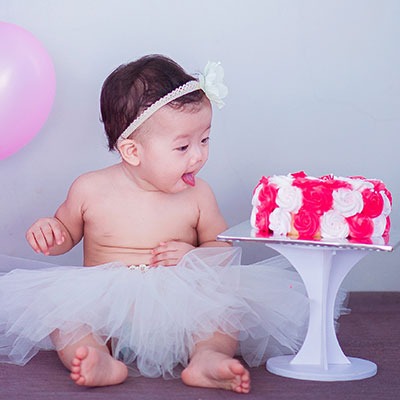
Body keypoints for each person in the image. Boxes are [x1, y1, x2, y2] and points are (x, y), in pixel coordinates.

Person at [0, 55, 331, 394]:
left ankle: (207, 357)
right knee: (66, 318)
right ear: (132, 150)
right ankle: (98, 358)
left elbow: (223, 250)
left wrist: (192, 255)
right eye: (183, 146)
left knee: (221, 316)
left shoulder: (198, 195)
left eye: (205, 140)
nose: (198, 156)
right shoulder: (89, 188)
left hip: (178, 305)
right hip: (105, 306)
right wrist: (50, 232)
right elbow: (65, 233)